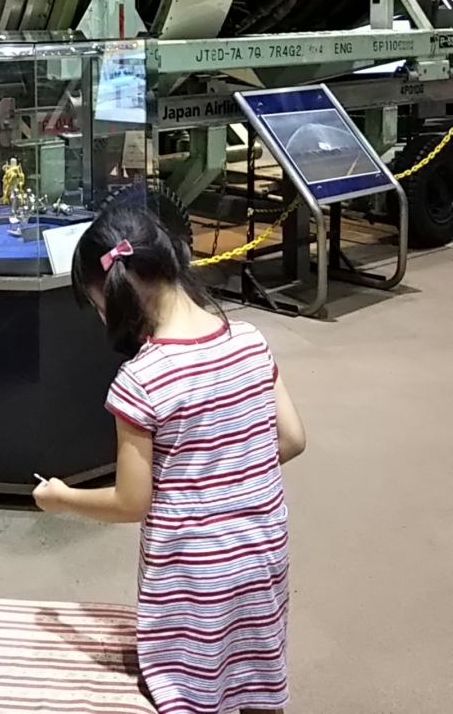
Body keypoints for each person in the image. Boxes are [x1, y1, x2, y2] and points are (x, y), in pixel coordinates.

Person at [34, 205, 306, 714]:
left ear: (112, 292)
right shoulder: (251, 341)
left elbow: (131, 501)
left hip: (194, 576)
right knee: (257, 675)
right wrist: (231, 469)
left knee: (193, 689)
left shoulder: (142, 379)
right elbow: (291, 439)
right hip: (263, 555)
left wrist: (62, 498)